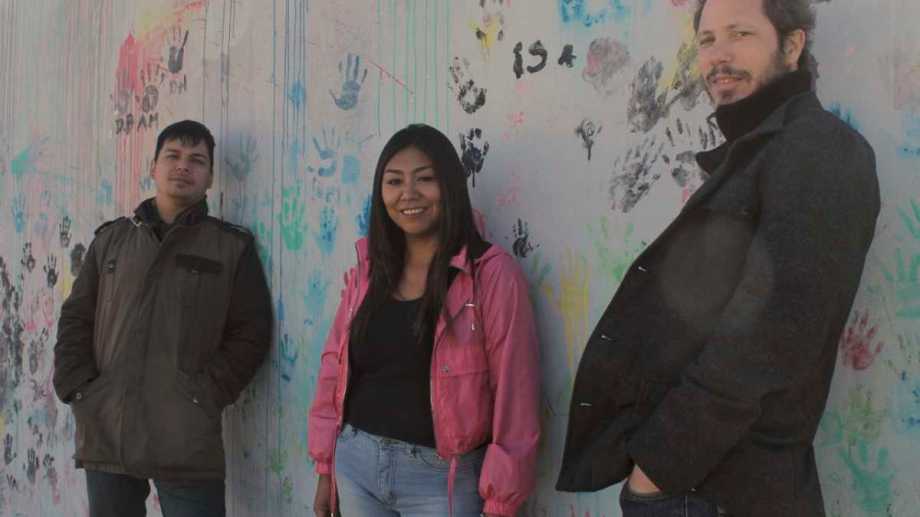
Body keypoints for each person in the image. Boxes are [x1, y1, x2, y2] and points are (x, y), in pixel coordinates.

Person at [556, 0, 881, 516]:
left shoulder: (821, 149)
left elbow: (773, 337)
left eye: (740, 34)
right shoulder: (765, 151)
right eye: (707, 40)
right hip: (698, 485)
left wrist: (657, 467)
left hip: (719, 490)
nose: (718, 55)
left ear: (792, 46)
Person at [308, 124, 541, 517]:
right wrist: (326, 466)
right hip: (357, 465)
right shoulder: (369, 271)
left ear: (449, 186)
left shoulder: (490, 274)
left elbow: (515, 393)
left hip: (441, 480)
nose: (408, 194)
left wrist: (500, 503)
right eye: (394, 181)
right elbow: (334, 366)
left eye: (425, 179)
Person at [53, 120, 273, 517]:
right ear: (153, 167)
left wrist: (205, 395)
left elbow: (251, 331)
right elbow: (76, 317)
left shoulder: (231, 246)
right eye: (173, 155)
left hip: (186, 435)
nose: (183, 166)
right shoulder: (111, 241)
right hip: (108, 427)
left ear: (209, 178)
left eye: (197, 160)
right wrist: (79, 388)